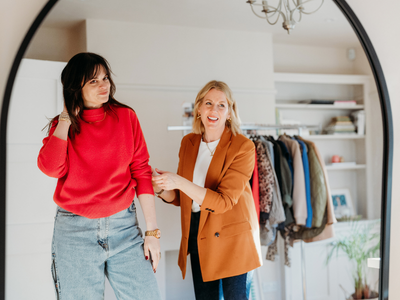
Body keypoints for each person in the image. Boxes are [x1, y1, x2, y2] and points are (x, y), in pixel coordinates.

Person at [38, 52, 161, 300]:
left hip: (124, 228)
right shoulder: (62, 127)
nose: (104, 85)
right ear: (75, 87)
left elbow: (141, 172)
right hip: (74, 233)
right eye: (93, 81)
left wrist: (152, 232)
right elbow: (51, 168)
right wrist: (65, 117)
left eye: (105, 78)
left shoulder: (126, 117)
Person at [152, 80, 262, 300]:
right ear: (199, 109)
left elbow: (223, 201)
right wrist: (162, 188)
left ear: (230, 112)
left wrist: (179, 181)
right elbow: (183, 198)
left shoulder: (243, 147)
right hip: (198, 232)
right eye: (209, 103)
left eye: (222, 105)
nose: (214, 110)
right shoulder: (188, 143)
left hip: (232, 238)